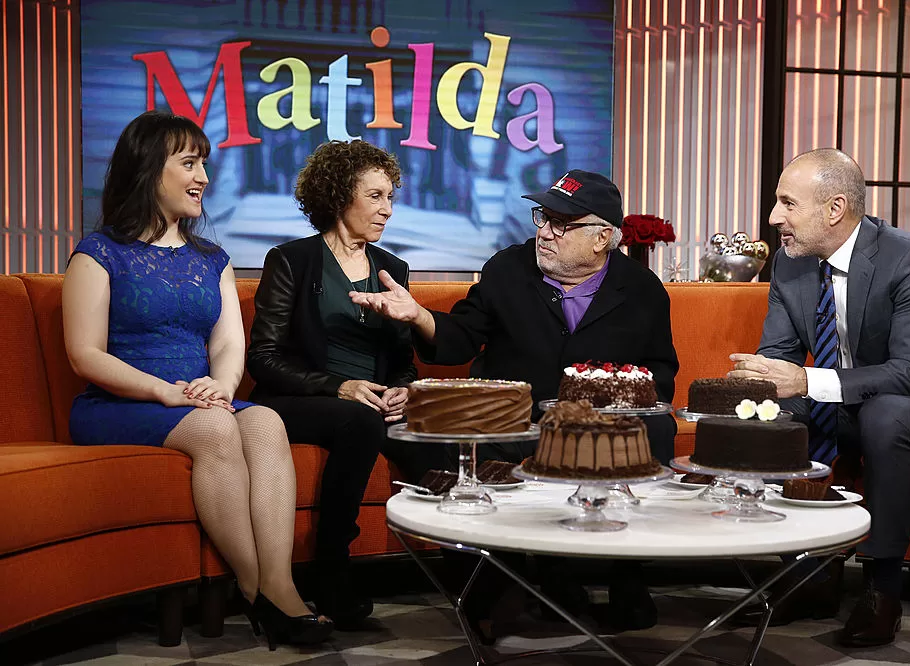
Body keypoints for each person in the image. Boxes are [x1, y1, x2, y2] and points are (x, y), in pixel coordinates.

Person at [351, 169, 679, 632]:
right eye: (543, 217)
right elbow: (460, 339)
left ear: (603, 237)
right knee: (418, 438)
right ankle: (502, 588)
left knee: (657, 428)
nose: (544, 232)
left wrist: (608, 408)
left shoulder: (643, 290)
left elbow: (659, 374)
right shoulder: (508, 267)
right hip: (512, 428)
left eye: (562, 224)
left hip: (599, 431)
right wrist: (421, 316)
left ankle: (627, 582)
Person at [63, 110, 333, 649]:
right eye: (189, 163)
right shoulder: (98, 254)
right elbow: (84, 355)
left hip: (200, 397)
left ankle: (279, 583)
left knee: (264, 424)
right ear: (148, 170)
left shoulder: (212, 259)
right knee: (214, 431)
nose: (203, 178)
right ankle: (257, 589)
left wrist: (224, 386)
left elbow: (230, 343)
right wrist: (166, 391)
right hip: (122, 402)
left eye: (204, 164)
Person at [727, 148, 910, 646]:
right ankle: (808, 574)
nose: (773, 217)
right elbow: (779, 356)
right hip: (852, 404)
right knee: (775, 412)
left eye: (787, 203)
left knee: (886, 415)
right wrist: (761, 380)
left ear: (835, 209)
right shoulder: (791, 262)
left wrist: (807, 382)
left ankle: (882, 591)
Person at [247, 139, 441, 626]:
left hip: (370, 403)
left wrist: (401, 388)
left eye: (391, 197)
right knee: (359, 421)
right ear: (338, 197)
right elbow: (263, 359)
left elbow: (400, 359)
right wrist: (339, 385)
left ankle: (481, 577)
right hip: (296, 398)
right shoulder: (291, 260)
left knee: (430, 435)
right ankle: (331, 567)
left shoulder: (392, 269)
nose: (388, 211)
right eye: (375, 196)